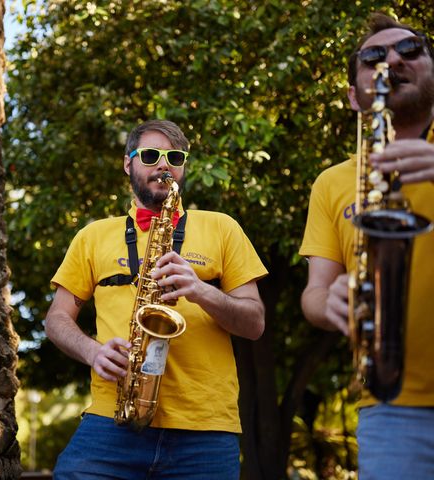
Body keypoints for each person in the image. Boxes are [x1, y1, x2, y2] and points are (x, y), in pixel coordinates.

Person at [45, 119, 267, 479]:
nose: (163, 165)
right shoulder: (93, 236)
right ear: (127, 163)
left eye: (174, 157)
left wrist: (201, 290)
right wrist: (92, 352)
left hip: (205, 430)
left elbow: (255, 322)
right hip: (113, 418)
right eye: (150, 155)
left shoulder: (223, 228)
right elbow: (56, 319)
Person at [300, 13, 434, 479]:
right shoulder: (333, 183)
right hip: (392, 405)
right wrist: (330, 302)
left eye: (410, 49)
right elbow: (315, 293)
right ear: (355, 97)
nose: (393, 59)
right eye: (373, 57)